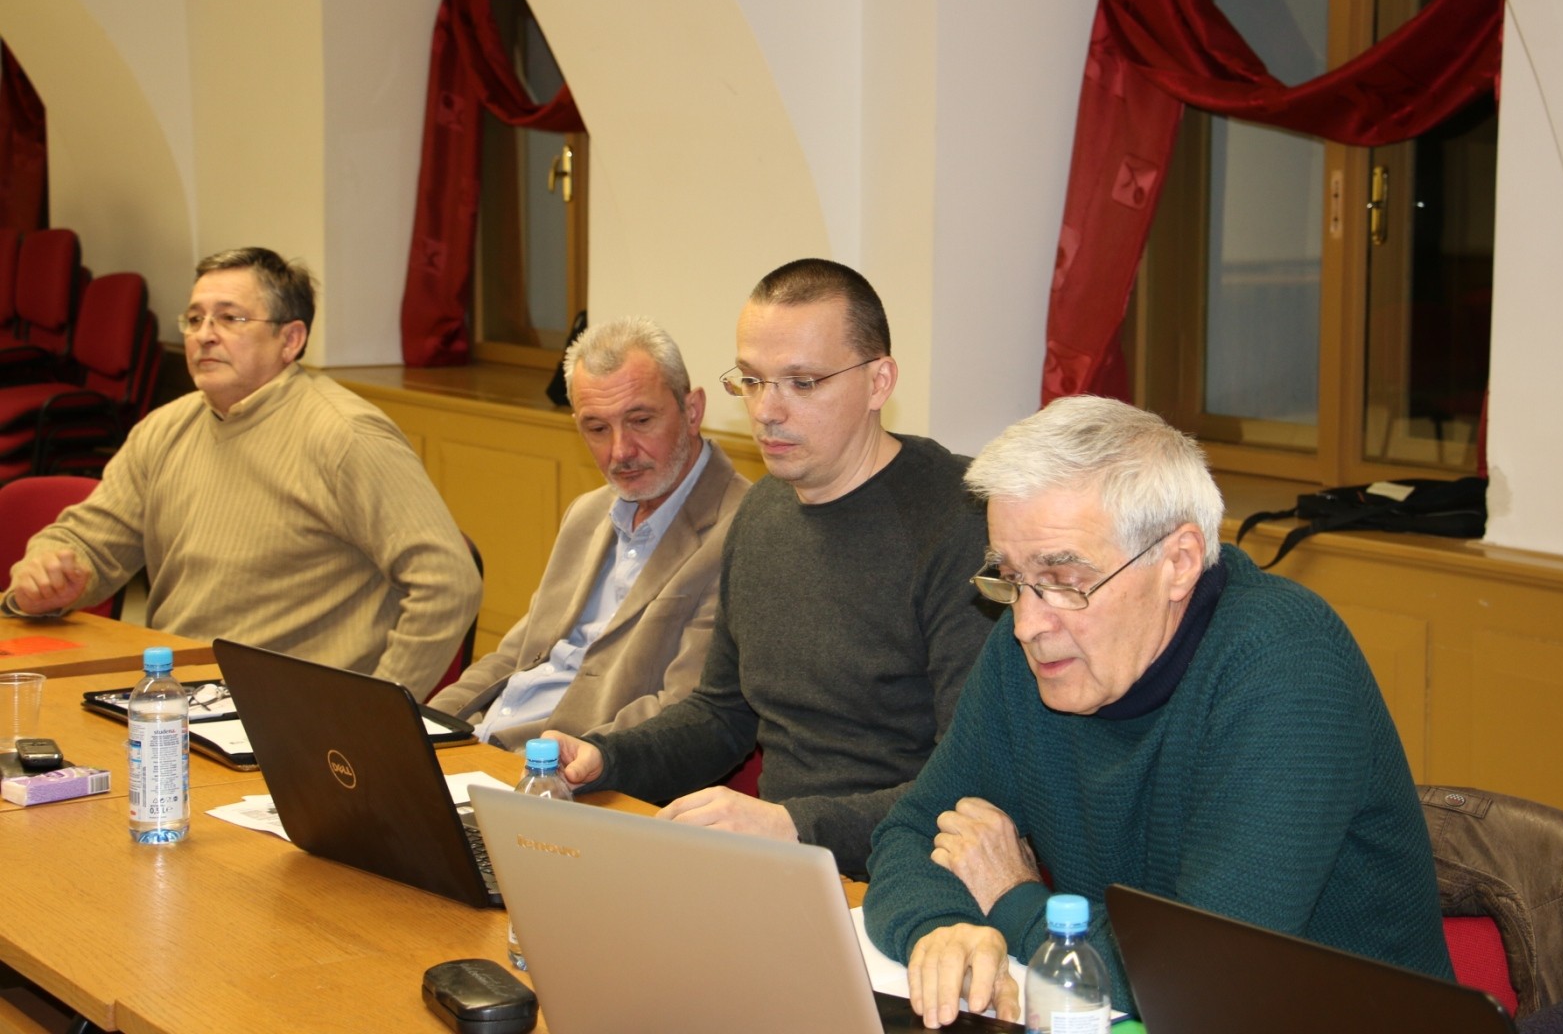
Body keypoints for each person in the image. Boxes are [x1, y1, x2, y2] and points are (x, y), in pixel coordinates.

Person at [863, 396, 1452, 1026]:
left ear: (1178, 563)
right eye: (1011, 578)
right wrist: (942, 926)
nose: (1028, 623)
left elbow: (1204, 983)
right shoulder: (1037, 651)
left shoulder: (1288, 662)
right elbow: (911, 833)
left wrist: (1012, 899)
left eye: (1064, 580)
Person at [547, 258, 994, 876]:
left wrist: (790, 826)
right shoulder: (763, 513)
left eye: (801, 383)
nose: (765, 411)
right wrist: (607, 759)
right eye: (753, 381)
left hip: (902, 873)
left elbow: (971, 786)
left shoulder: (962, 523)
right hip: (777, 862)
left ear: (879, 382)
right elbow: (721, 716)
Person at [2, 247, 480, 697]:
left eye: (230, 318)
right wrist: (44, 574)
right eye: (195, 319)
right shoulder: (166, 427)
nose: (205, 335)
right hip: (173, 696)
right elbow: (88, 542)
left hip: (288, 714)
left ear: (290, 340)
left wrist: (378, 710)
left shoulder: (345, 436)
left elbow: (447, 582)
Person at [429, 317, 749, 748]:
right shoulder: (588, 513)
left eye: (640, 420)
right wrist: (425, 724)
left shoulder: (741, 532)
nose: (620, 451)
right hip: (483, 746)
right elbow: (514, 655)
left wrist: (559, 763)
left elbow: (685, 712)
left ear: (692, 411)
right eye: (597, 429)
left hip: (568, 765)